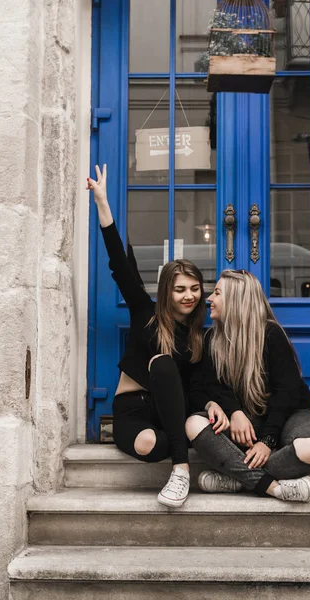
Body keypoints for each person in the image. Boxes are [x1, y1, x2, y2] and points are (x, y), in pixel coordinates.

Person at [87, 164, 214, 508]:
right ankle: (183, 459)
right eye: (179, 289)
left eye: (195, 288)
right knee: (148, 446)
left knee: (178, 390)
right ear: (166, 292)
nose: (188, 295)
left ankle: (182, 471)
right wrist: (102, 203)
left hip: (173, 412)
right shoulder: (145, 312)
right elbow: (119, 261)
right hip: (134, 410)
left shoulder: (201, 334)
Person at [186, 270, 310, 503]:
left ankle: (236, 478)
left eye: (217, 293)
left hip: (290, 414)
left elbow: (287, 391)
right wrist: (234, 412)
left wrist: (268, 441)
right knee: (194, 423)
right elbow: (211, 386)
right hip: (247, 421)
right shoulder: (212, 339)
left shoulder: (271, 334)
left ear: (236, 300)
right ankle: (273, 488)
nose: (209, 299)